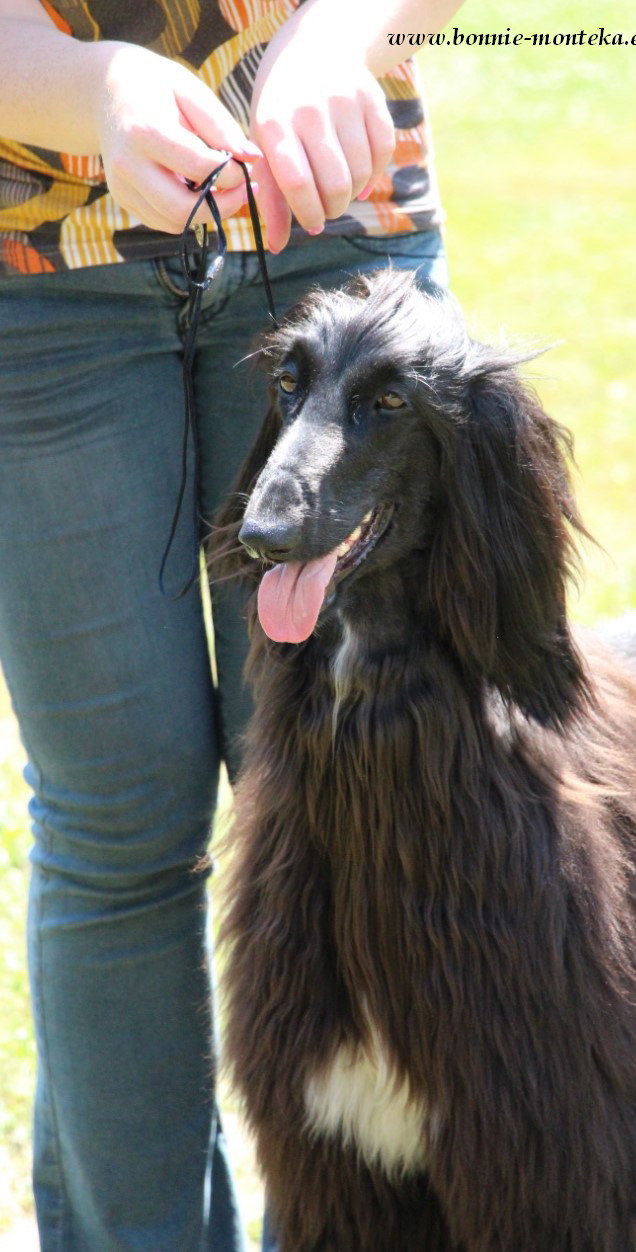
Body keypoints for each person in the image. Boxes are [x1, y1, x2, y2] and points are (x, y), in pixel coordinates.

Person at [0, 1, 462, 1247]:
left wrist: (333, 37)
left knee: (376, 792)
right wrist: (94, 88)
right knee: (120, 827)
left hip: (337, 235)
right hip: (35, 279)